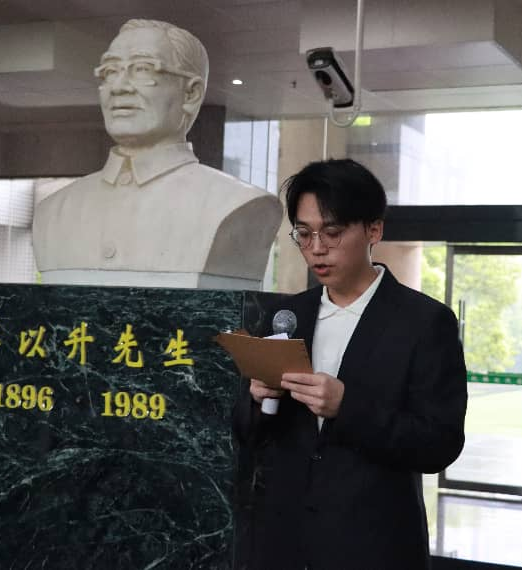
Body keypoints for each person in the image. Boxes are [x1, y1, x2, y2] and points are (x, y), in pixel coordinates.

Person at [233, 159, 467, 569]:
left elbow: (440, 445)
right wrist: (256, 400)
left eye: (332, 232)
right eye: (304, 234)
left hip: (373, 548)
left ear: (374, 230)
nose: (316, 248)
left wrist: (347, 408)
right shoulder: (287, 316)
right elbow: (247, 433)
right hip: (282, 545)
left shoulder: (425, 322)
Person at [32, 19, 281, 289]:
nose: (119, 87)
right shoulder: (53, 211)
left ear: (191, 94)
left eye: (142, 69)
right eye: (111, 71)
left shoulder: (237, 204)